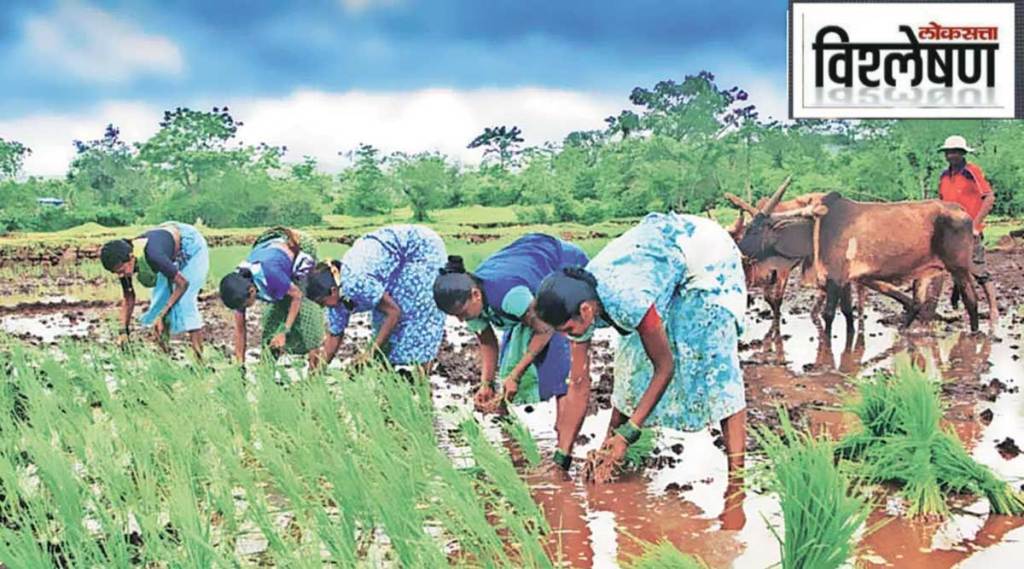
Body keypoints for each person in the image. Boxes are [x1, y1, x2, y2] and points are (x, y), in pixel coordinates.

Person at [533, 212, 747, 508]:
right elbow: (579, 384)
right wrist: (562, 458)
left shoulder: (627, 299)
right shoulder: (581, 302)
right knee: (630, 362)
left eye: (569, 331)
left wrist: (629, 434)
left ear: (585, 311)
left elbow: (665, 366)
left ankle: (738, 486)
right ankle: (609, 452)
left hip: (708, 258)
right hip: (666, 253)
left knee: (714, 362)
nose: (569, 336)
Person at [433, 233, 590, 425]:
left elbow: (546, 329)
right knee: (511, 359)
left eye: (461, 313)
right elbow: (488, 342)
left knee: (558, 360)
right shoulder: (470, 304)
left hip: (562, 263)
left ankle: (562, 436)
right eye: (455, 316)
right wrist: (486, 384)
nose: (460, 320)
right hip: (527, 274)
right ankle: (511, 436)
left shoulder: (508, 295)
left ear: (475, 295)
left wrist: (516, 375)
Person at [304, 225, 446, 370]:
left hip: (419, 248)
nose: (323, 307)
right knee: (382, 321)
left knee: (417, 312)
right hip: (391, 256)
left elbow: (393, 312)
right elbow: (335, 336)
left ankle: (421, 380)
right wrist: (316, 373)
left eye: (322, 302)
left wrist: (370, 352)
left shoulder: (355, 283)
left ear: (333, 291)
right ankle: (388, 376)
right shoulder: (336, 297)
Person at [99, 222, 209, 357]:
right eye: (116, 273)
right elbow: (128, 298)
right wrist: (123, 332)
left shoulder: (153, 255)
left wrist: (162, 315)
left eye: (121, 271)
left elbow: (183, 284)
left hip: (190, 245)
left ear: (131, 258)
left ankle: (199, 362)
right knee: (159, 304)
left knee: (185, 303)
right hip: (165, 247)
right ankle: (165, 359)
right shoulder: (124, 262)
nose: (121, 275)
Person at [219, 227, 323, 368]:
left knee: (309, 319)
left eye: (245, 305)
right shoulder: (238, 285)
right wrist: (240, 365)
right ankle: (266, 373)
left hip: (299, 249)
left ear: (252, 291)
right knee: (270, 327)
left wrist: (284, 332)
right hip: (273, 256)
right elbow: (240, 329)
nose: (244, 309)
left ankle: (314, 376)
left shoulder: (271, 274)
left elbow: (297, 295)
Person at [937, 135, 998, 322]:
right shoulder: (944, 176)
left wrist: (975, 224)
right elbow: (941, 203)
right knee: (953, 267)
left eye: (955, 152)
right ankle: (955, 303)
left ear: (963, 154)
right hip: (950, 231)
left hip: (969, 229)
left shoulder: (972, 172)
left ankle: (994, 309)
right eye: (948, 152)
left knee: (978, 270)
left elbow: (989, 197)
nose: (951, 155)